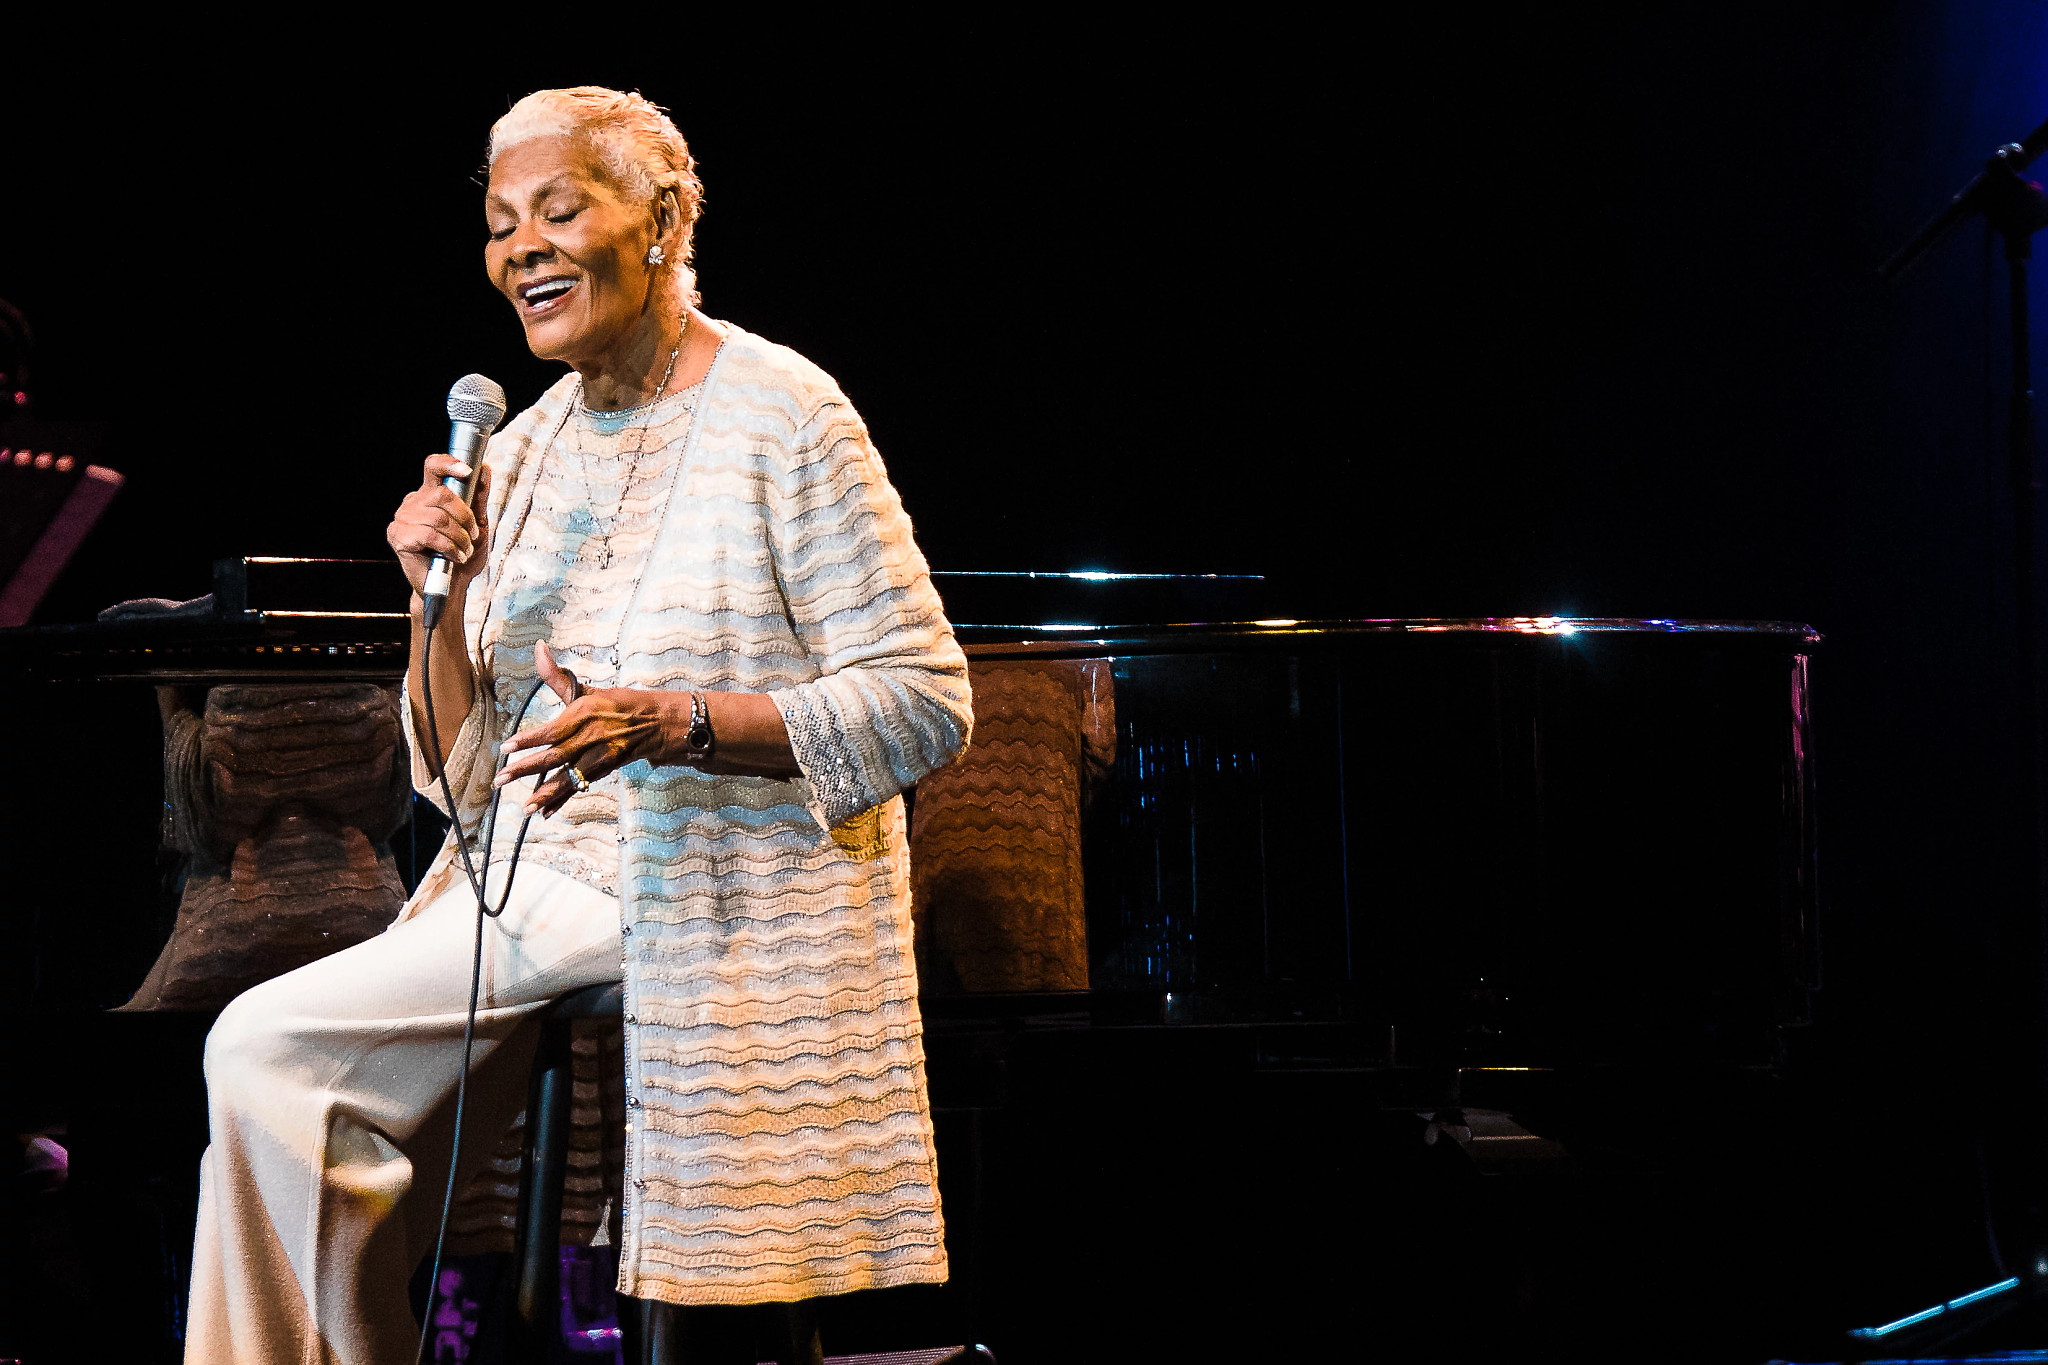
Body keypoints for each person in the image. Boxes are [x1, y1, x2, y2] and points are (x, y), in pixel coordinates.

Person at [186, 85, 973, 1365]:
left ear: (660, 220)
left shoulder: (783, 411)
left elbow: (924, 698)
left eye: (559, 210)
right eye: (501, 224)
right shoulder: (524, 445)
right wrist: (434, 600)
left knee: (263, 1045)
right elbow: (463, 777)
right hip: (519, 882)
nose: (522, 249)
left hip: (708, 881)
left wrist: (675, 722)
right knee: (286, 1090)